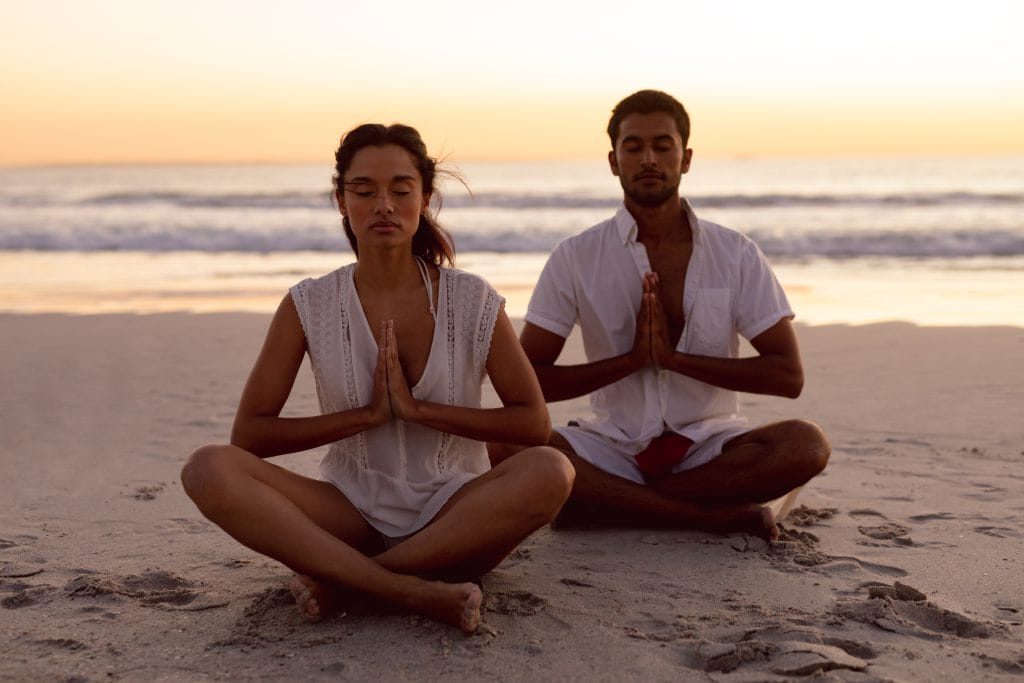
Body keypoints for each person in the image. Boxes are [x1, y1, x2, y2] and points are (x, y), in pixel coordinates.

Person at [181, 123, 574, 634]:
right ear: (341, 201)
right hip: (348, 515)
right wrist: (365, 418)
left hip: (456, 517)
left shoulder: (473, 299)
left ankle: (348, 584)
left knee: (550, 469)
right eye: (364, 191)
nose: (383, 204)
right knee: (207, 469)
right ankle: (408, 589)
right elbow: (250, 436)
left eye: (400, 190)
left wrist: (417, 411)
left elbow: (533, 425)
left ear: (425, 199)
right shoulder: (308, 304)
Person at [488, 90, 829, 541]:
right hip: (612, 446)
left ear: (685, 158)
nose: (648, 158)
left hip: (709, 448)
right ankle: (699, 517)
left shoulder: (735, 253)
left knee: (806, 445)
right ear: (614, 161)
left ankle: (614, 504)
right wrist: (629, 362)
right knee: (506, 445)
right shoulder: (577, 256)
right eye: (633, 147)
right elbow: (530, 382)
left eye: (662, 146)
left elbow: (788, 376)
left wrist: (673, 359)